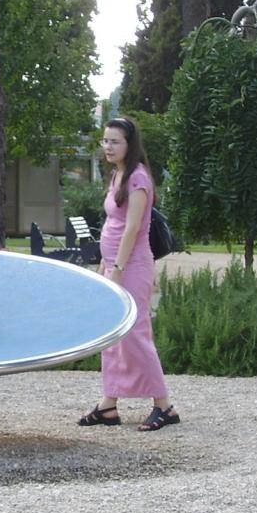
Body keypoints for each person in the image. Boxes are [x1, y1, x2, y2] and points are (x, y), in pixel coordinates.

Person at [78, 116, 180, 431]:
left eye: (115, 141)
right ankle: (108, 404)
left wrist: (119, 269)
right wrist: (105, 264)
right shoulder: (117, 175)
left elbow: (133, 228)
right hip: (114, 264)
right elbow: (113, 224)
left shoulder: (138, 178)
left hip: (132, 267)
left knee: (135, 333)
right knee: (113, 333)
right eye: (105, 140)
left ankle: (164, 405)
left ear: (129, 144)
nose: (108, 147)